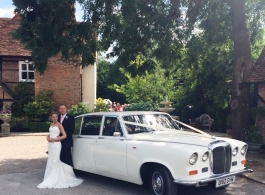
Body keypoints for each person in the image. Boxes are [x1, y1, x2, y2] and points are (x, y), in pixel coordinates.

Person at [37, 112, 83, 189]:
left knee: (55, 159)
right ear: (51, 118)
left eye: (56, 117)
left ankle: (55, 176)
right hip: (50, 145)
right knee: (51, 159)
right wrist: (47, 137)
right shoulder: (51, 125)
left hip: (56, 145)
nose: (55, 118)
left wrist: (56, 139)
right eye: (53, 117)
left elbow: (64, 135)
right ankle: (48, 176)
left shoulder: (59, 125)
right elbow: (50, 133)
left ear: (57, 118)